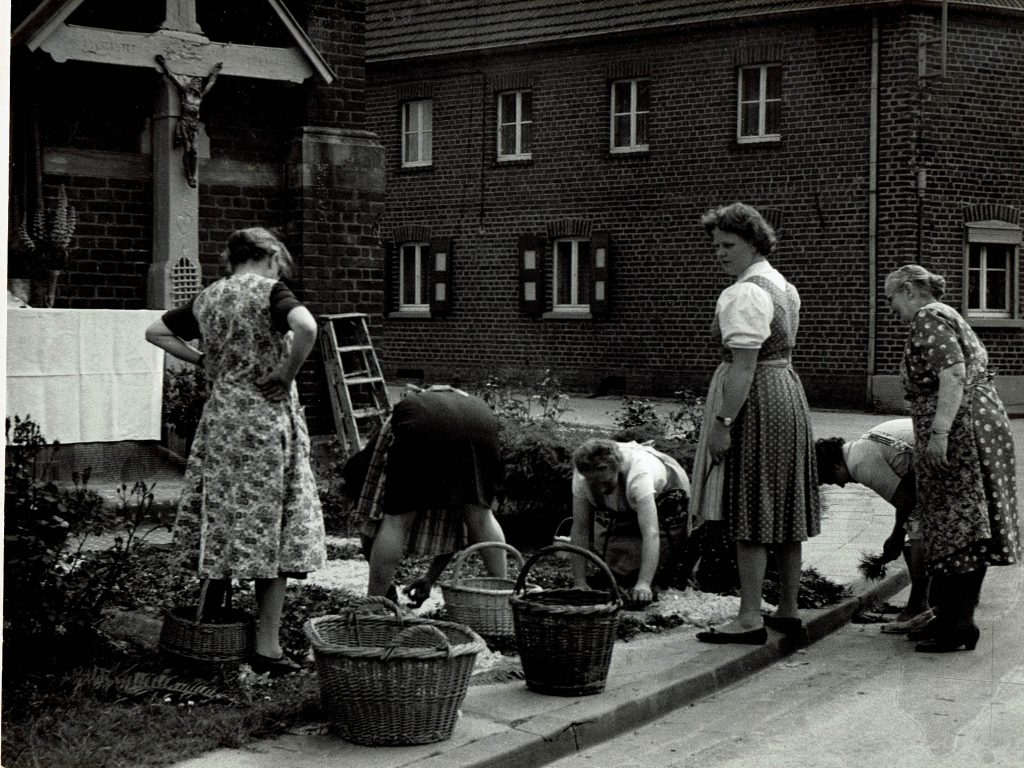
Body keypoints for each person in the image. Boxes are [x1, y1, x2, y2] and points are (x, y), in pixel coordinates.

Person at [145, 227, 326, 676]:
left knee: (223, 519)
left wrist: (206, 361)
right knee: (273, 527)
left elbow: (155, 332)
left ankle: (211, 633)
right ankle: (266, 647)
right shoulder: (270, 292)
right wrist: (285, 372)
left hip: (222, 424)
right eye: (278, 262)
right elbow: (306, 326)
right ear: (268, 256)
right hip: (265, 425)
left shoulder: (209, 297)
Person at [689, 202, 820, 645]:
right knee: (782, 502)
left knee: (749, 503)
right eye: (715, 246)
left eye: (728, 245)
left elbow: (743, 368)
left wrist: (724, 422)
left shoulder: (744, 293)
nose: (719, 254)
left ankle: (748, 618)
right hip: (786, 391)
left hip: (756, 398)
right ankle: (787, 609)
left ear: (753, 243)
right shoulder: (783, 286)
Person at [884, 263, 1019, 652]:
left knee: (959, 524)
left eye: (892, 298)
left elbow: (953, 372)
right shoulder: (945, 315)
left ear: (910, 290)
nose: (891, 308)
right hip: (972, 424)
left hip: (961, 430)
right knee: (956, 522)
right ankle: (949, 617)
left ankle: (958, 624)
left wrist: (940, 433)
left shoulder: (928, 317)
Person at [342, 385, 509, 602]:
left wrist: (384, 586)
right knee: (481, 517)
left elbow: (368, 524)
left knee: (396, 521)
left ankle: (372, 605)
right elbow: (459, 528)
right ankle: (506, 599)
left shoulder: (369, 458)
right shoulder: (445, 405)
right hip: (481, 421)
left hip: (420, 425)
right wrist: (430, 578)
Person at [816, 419, 933, 632]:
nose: (840, 485)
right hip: (934, 455)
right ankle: (937, 601)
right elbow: (909, 489)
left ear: (835, 465)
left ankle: (918, 606)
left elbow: (907, 503)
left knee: (917, 532)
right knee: (917, 527)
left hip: (937, 458)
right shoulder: (860, 446)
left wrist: (896, 538)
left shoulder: (859, 464)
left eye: (831, 479)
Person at [569, 438, 690, 607]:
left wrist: (644, 583)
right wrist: (579, 581)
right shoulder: (582, 475)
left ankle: (658, 576)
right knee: (620, 564)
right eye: (595, 484)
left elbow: (651, 532)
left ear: (617, 469)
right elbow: (580, 528)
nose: (602, 490)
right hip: (628, 491)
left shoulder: (639, 475)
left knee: (664, 561)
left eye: (606, 482)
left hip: (667, 489)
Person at [155, 55, 222, 188]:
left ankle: (194, 175)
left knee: (195, 150)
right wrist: (163, 64)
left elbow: (211, 83)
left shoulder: (200, 97)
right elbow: (172, 77)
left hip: (194, 125)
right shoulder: (185, 94)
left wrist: (215, 71)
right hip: (185, 124)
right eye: (195, 83)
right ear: (192, 84)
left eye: (198, 84)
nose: (197, 86)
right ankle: (189, 175)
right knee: (188, 148)